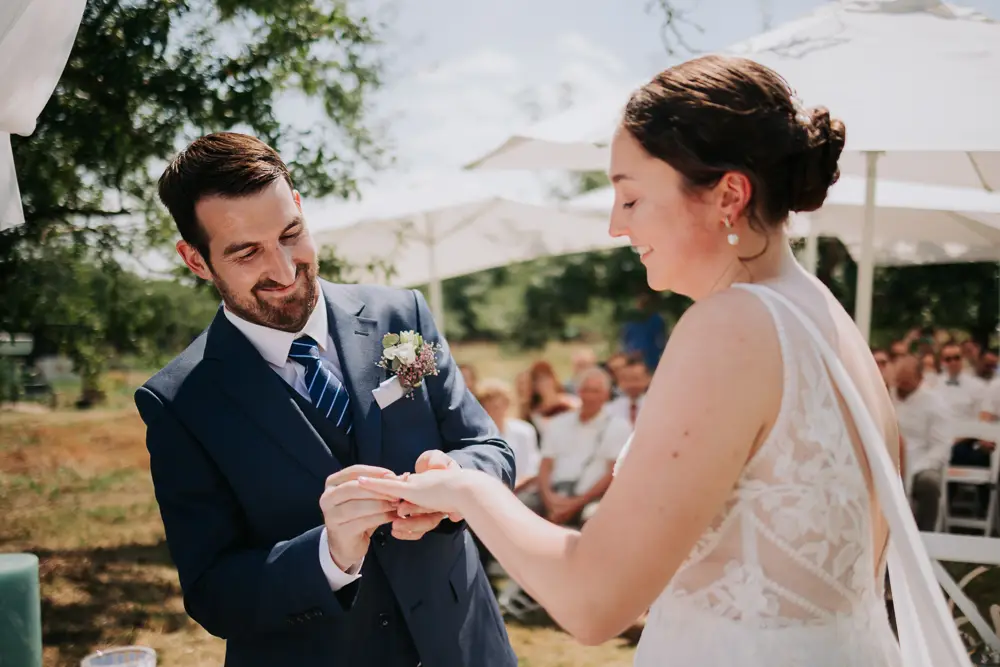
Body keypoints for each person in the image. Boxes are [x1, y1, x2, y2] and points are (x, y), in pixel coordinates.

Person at [360, 55, 918, 666]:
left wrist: (465, 489)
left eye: (630, 198)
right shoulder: (824, 318)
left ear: (728, 194)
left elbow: (593, 602)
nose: (613, 226)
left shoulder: (731, 326)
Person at [134, 132, 517, 667]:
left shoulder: (400, 317)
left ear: (301, 210)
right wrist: (327, 556)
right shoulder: (179, 402)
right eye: (247, 252)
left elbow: (491, 449)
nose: (286, 271)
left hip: (465, 645)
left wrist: (455, 480)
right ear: (196, 261)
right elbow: (213, 594)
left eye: (291, 235)